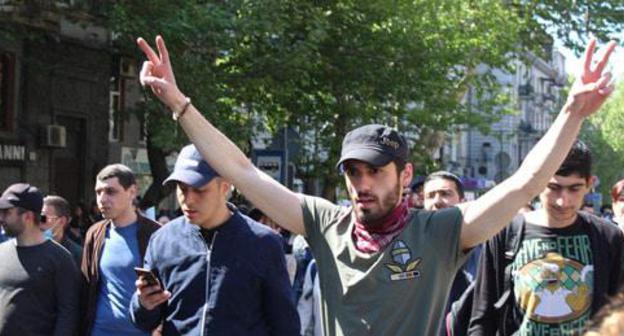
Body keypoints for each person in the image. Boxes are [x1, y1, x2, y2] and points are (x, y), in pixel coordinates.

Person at [137, 35, 617, 335]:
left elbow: (523, 182)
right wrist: (180, 104)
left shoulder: (441, 232)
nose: (361, 184)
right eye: (353, 172)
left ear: (406, 176)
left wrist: (572, 110)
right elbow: (242, 171)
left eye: (376, 171)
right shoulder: (325, 224)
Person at [130, 144, 300, 335]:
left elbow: (285, 325)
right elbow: (145, 321)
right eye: (182, 189)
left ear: (224, 187)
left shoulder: (263, 243)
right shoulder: (162, 240)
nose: (188, 199)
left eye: (199, 190)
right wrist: (143, 304)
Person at [469, 141, 624, 335]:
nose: (563, 200)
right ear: (537, 184)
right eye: (553, 187)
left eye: (574, 189)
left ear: (589, 184)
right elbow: (482, 317)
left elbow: (617, 315)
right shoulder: (505, 233)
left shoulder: (608, 237)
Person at [80, 164, 161, 335]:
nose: (102, 199)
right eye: (98, 192)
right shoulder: (95, 233)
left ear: (132, 192)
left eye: (110, 191)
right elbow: (86, 288)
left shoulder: (157, 234)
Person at [0, 183, 80, 335]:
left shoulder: (60, 259)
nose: (1, 218)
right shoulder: (1, 252)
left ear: (28, 216)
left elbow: (68, 314)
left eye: (7, 212)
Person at [422, 171, 480, 335]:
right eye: (430, 196)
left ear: (462, 201)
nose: (437, 201)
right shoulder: (412, 248)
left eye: (445, 194)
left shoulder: (483, 248)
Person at [42, 195, 83, 266]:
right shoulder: (30, 247)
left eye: (43, 218)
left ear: (62, 221)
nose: (39, 222)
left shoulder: (76, 254)